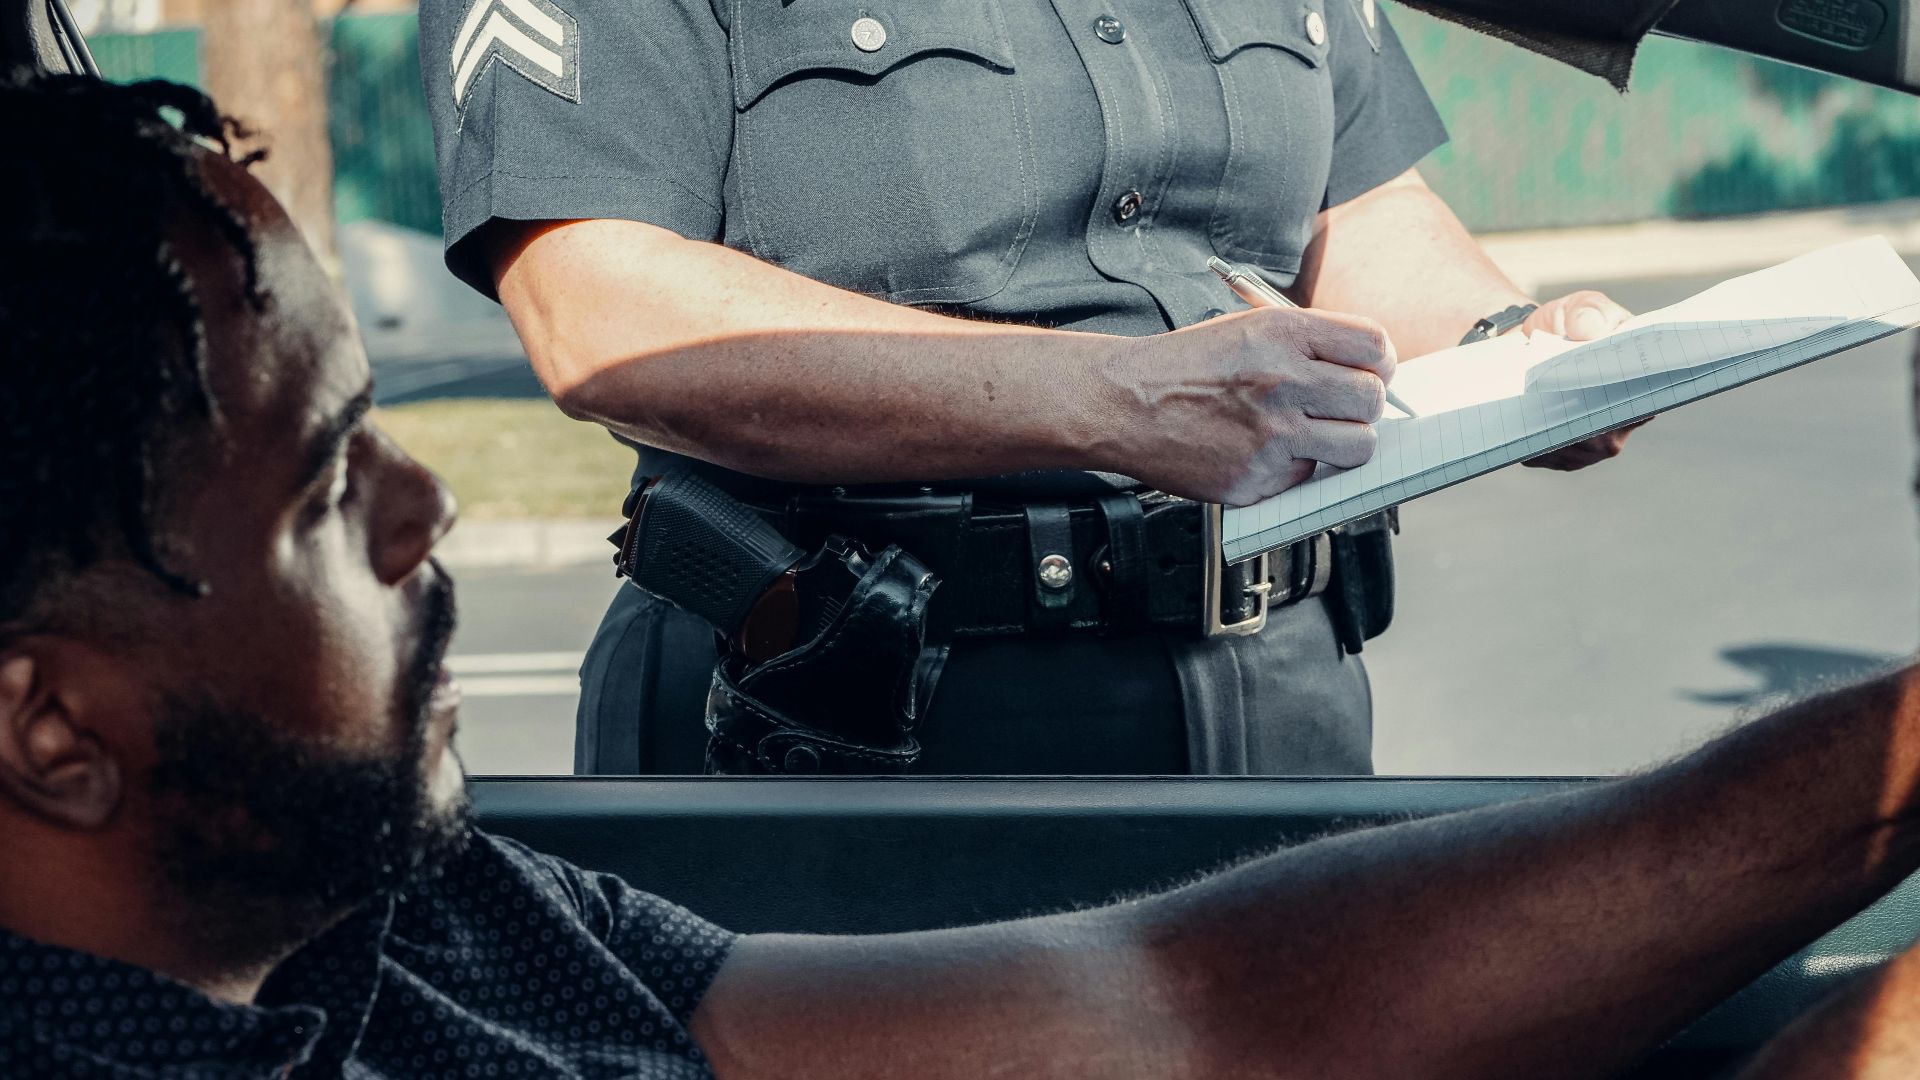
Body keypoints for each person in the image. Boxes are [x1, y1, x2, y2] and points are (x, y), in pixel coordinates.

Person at [1, 73, 1917, 1080]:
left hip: (1253, 662)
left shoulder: (421, 928)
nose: (420, 505)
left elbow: (1178, 1018)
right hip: (850, 689)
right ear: (47, 726)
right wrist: (1112, 392)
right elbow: (594, 301)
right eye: (332, 483)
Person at [418, 0, 1643, 776]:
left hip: (1277, 703)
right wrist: (1115, 398)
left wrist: (1517, 349)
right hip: (842, 720)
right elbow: (596, 304)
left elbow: (1356, 211)